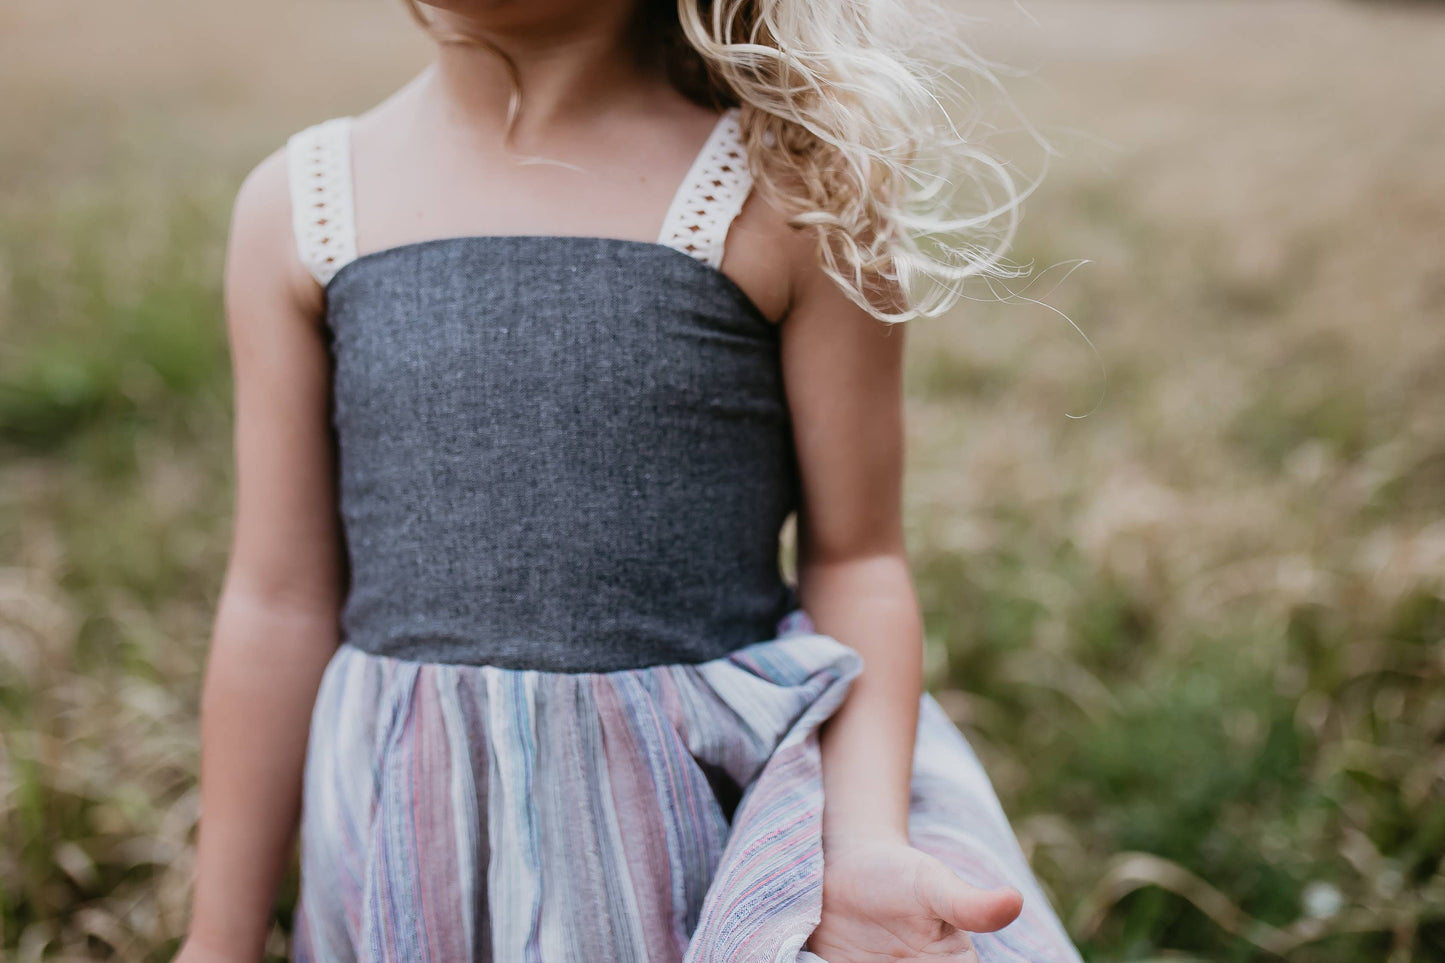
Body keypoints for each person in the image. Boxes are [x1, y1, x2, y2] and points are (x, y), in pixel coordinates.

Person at [177, 0, 1084, 960]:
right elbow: (277, 599)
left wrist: (857, 842)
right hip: (418, 831)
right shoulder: (301, 206)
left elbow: (857, 557)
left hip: (704, 834)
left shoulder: (791, 191)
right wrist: (218, 939)